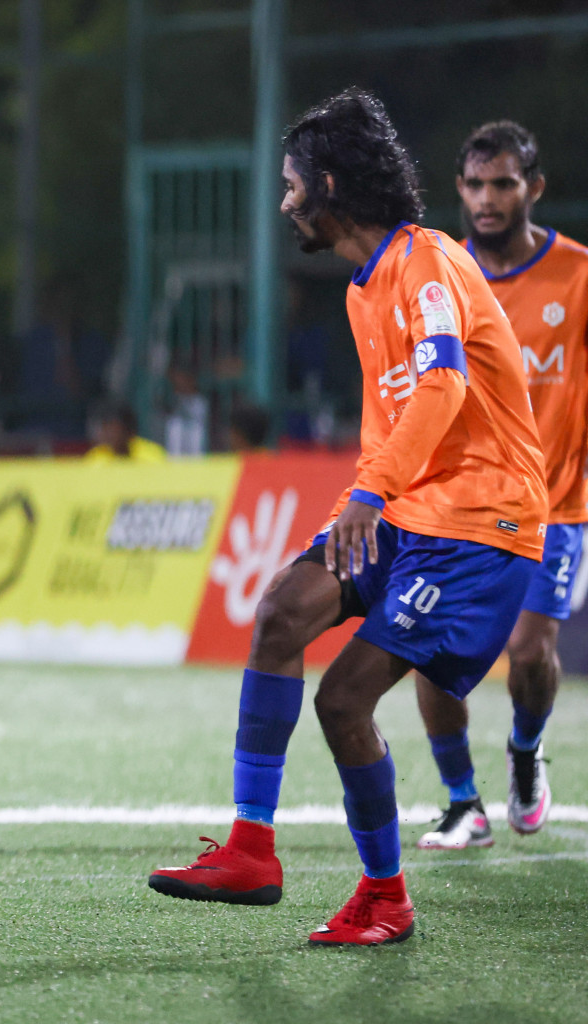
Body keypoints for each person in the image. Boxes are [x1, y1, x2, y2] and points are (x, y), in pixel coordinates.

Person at [146, 89, 548, 945]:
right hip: (408, 514)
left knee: (343, 700)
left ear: (328, 186)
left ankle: (386, 899)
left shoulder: (427, 260)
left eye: (293, 185)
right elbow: (386, 435)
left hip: (480, 528)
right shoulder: (366, 291)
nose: (285, 200)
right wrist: (352, 512)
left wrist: (371, 498)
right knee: (282, 610)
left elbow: (443, 384)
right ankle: (252, 849)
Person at [414, 122, 588, 849]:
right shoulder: (442, 275)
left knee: (527, 652)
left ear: (533, 188)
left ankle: (525, 750)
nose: (488, 199)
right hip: (458, 505)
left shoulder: (578, 275)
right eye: (476, 184)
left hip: (554, 505)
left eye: (504, 184)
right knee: (424, 648)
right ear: (459, 188)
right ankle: (463, 802)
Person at [83, 402, 165, 462]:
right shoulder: (96, 457)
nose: (108, 434)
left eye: (112, 428)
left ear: (128, 429)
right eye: (105, 428)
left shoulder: (152, 454)